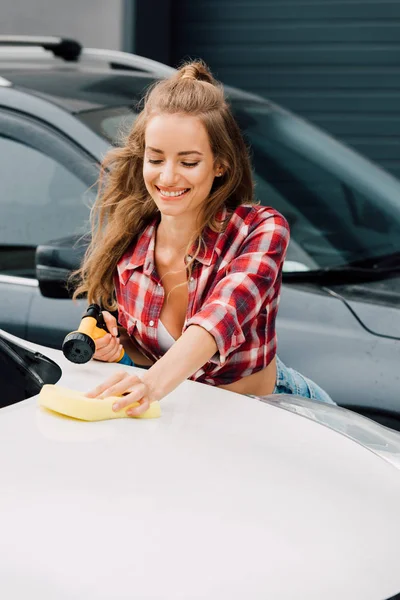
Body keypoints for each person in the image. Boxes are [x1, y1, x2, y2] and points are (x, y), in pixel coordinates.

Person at [73, 60, 334, 416]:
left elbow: (216, 322)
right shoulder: (129, 247)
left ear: (220, 164)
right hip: (187, 417)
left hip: (276, 410)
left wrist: (150, 384)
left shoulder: (259, 230)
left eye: (188, 162)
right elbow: (150, 355)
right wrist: (117, 349)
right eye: (156, 158)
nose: (167, 177)